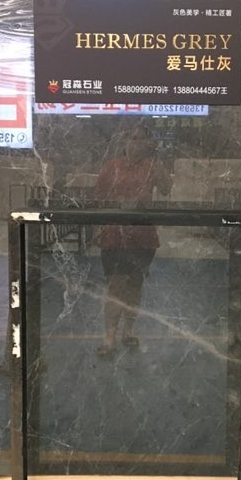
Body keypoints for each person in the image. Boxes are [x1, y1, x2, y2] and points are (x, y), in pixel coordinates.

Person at [94, 125, 171, 356]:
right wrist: (97, 228)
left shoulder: (152, 167)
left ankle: (128, 331)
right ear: (124, 141)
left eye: (141, 139)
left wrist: (157, 158)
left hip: (142, 236)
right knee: (116, 285)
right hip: (115, 235)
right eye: (132, 138)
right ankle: (110, 338)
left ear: (148, 143)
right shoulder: (112, 167)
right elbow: (98, 199)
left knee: (135, 284)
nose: (136, 143)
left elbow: (166, 188)